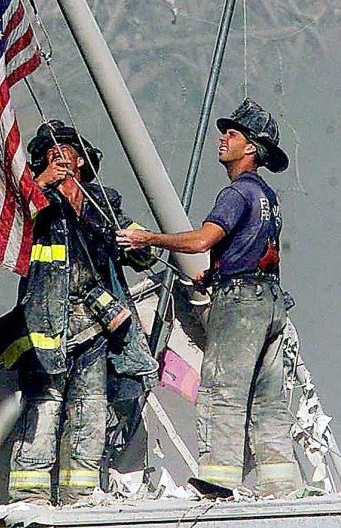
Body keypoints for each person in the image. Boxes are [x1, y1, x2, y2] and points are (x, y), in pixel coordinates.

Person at [117, 99, 301, 498]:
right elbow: (253, 247)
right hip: (269, 300)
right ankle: (281, 484)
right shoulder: (267, 195)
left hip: (241, 305)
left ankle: (219, 480)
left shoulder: (236, 193)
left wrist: (147, 238)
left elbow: (202, 240)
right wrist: (215, 274)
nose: (223, 138)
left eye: (232, 134)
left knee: (222, 390)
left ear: (250, 148)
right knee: (267, 397)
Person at [0, 120, 157, 506]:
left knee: (90, 409)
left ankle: (79, 494)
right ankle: (29, 494)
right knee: (44, 407)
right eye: (49, 151)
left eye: (65, 149)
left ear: (82, 160)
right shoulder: (31, 200)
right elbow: (9, 228)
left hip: (98, 324)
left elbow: (142, 254)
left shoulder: (104, 202)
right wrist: (41, 185)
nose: (58, 154)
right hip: (46, 320)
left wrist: (137, 245)